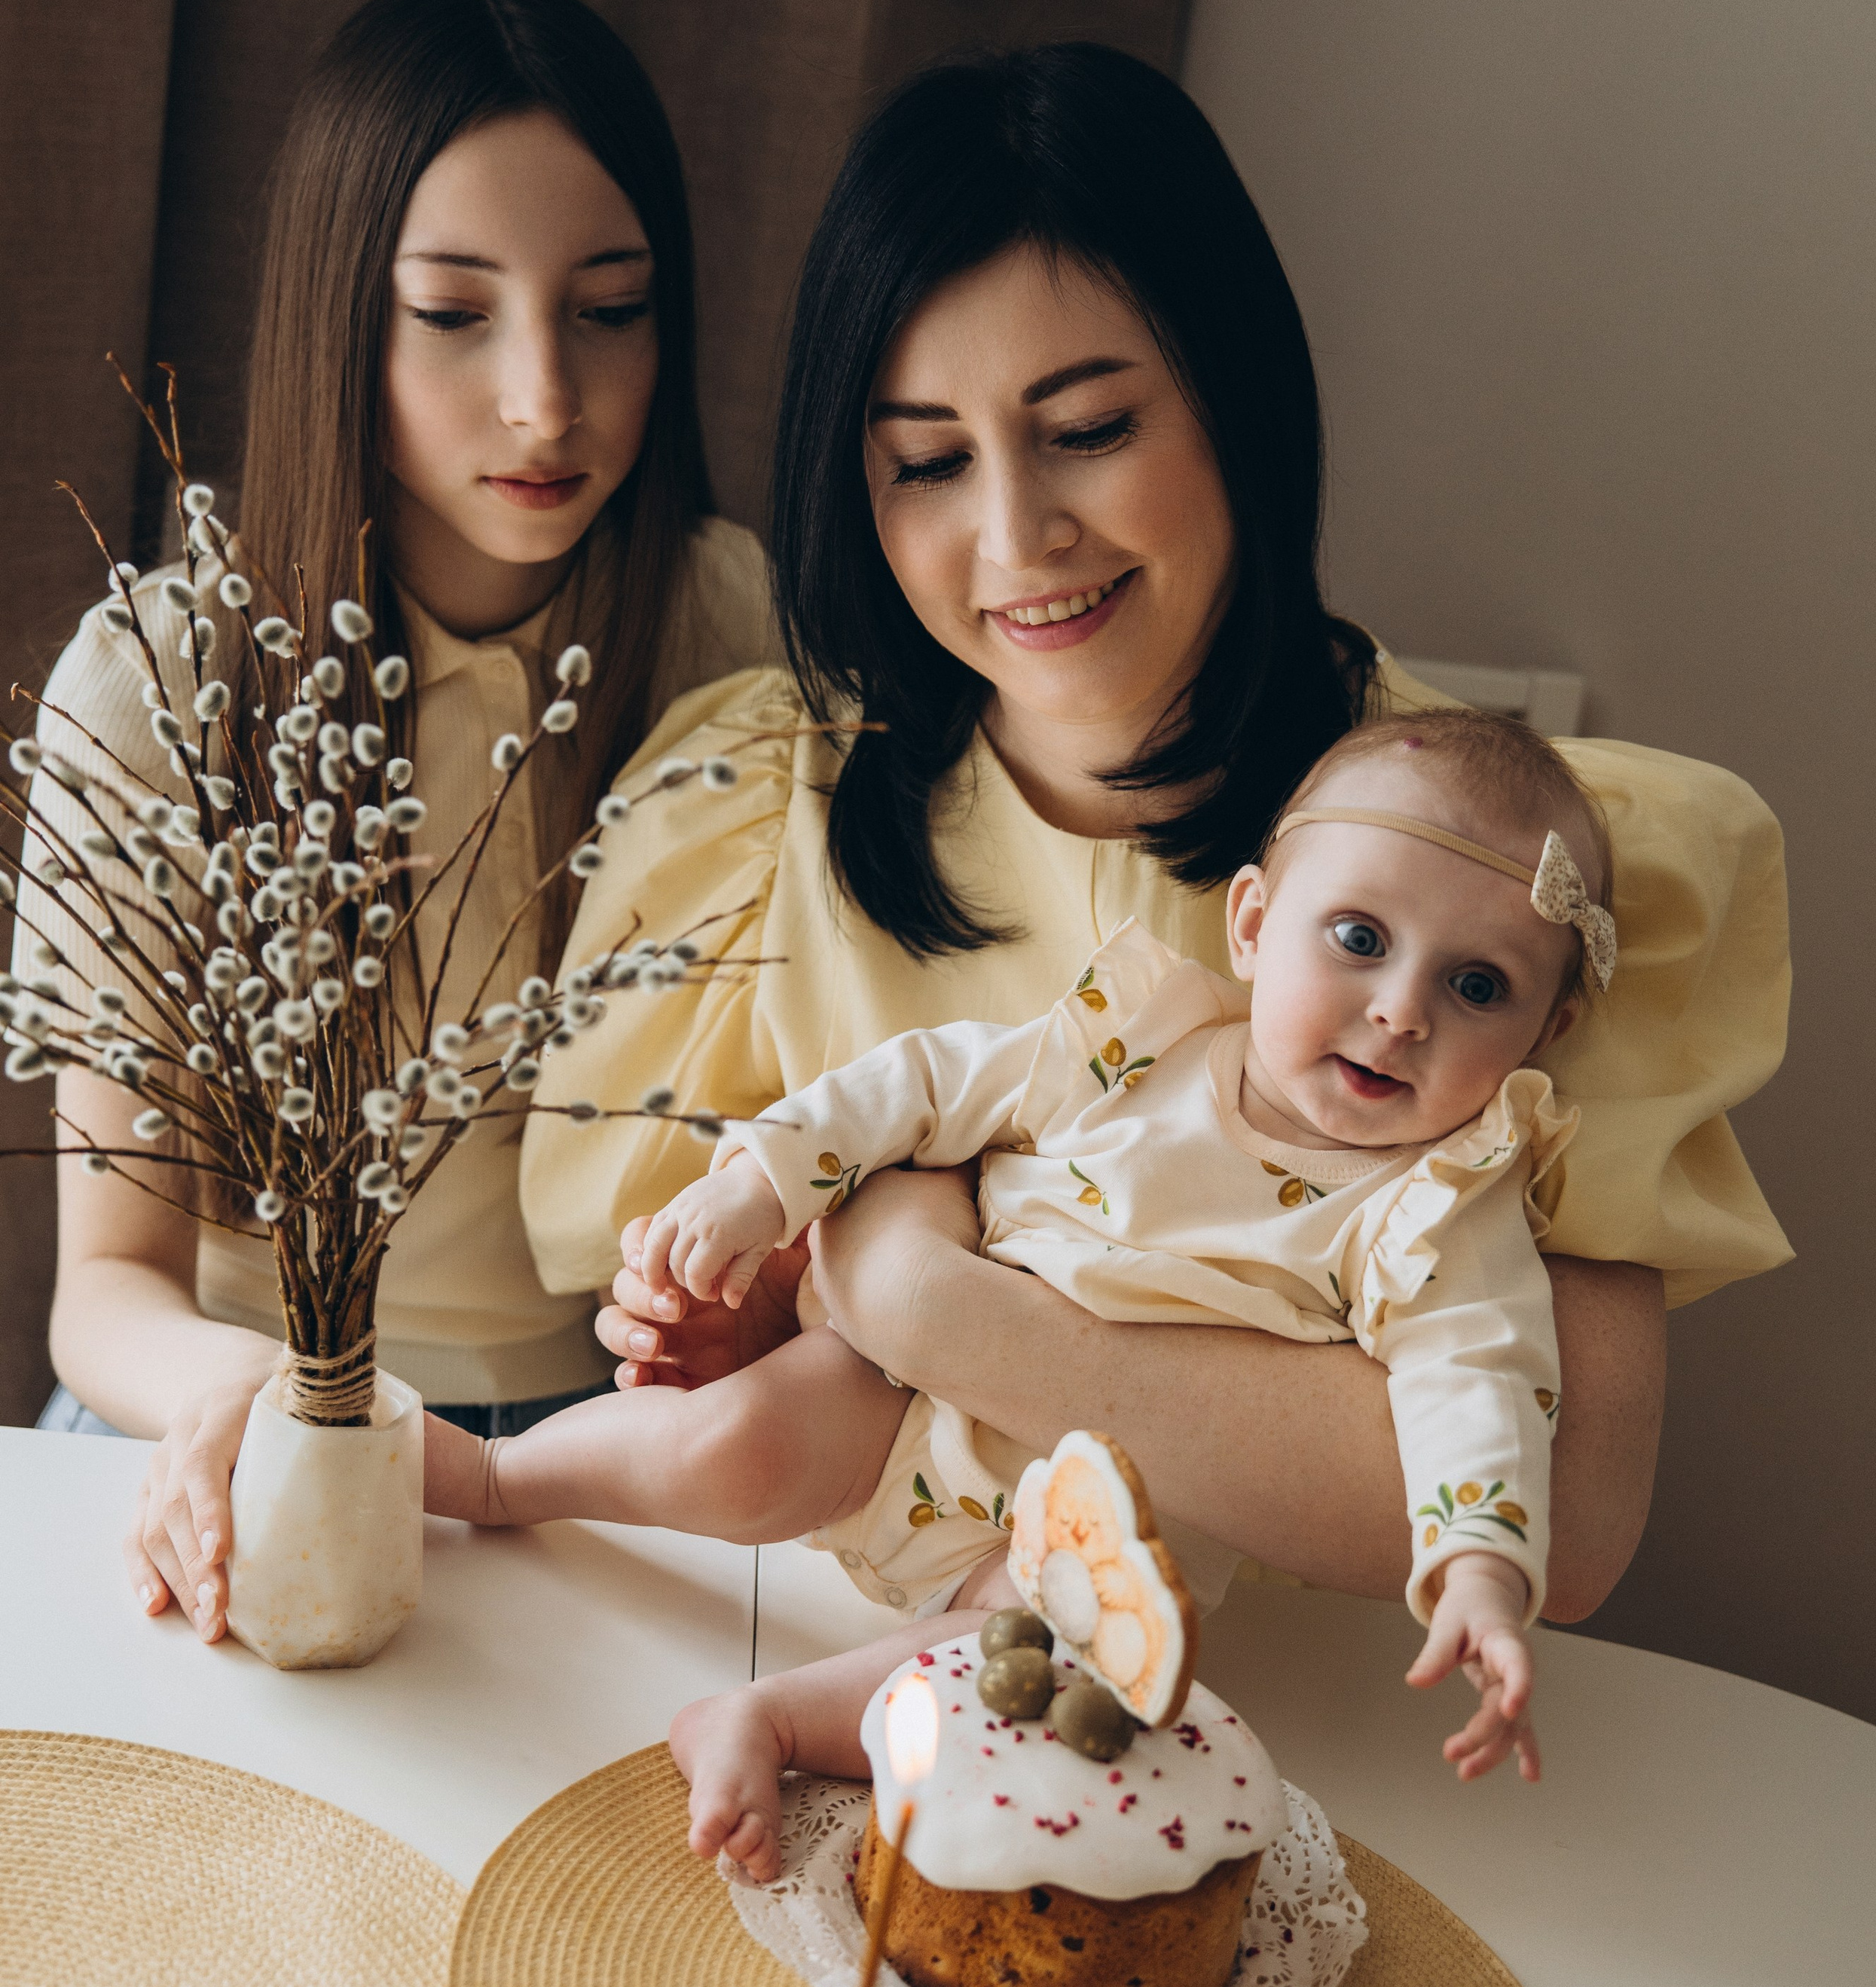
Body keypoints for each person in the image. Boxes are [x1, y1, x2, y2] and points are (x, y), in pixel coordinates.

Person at [519, 44, 1790, 1625]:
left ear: (1229, 395)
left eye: (1089, 427)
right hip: (787, 1659)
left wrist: (925, 1289)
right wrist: (772, 1311)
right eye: (924, 461)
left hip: (1316, 1740)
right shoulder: (747, 806)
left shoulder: (1499, 887)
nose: (1014, 538)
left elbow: (1565, 1520)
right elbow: (667, 1344)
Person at [431, 708, 1610, 1828]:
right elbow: (929, 1084)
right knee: (729, 1446)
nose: (1400, 1012)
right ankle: (497, 1477)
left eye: (1477, 987)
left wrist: (1480, 1573)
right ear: (1253, 923)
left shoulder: (1438, 1205)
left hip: (1101, 1534)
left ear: (1546, 1030)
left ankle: (770, 1720)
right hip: (898, 1402)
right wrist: (763, 1183)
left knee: (1030, 1672)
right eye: (1359, 940)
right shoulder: (1133, 1044)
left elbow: (1480, 1382)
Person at [25, 0, 772, 1638]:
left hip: (602, 1463)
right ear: (336, 316)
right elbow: (106, 1290)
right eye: (453, 313)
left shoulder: (734, 640)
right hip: (227, 1421)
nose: (546, 400)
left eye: (610, 307)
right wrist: (262, 1400)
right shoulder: (159, 685)